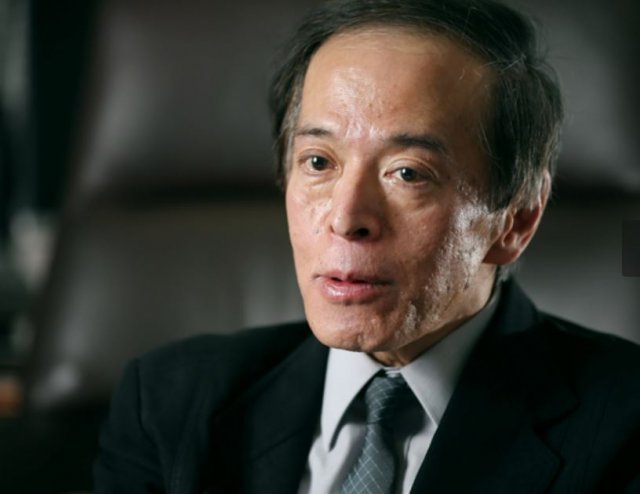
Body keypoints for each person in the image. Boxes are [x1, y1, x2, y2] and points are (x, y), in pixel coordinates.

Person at [94, 0, 640, 492]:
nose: (346, 217)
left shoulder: (625, 425)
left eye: (408, 173)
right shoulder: (169, 403)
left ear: (516, 218)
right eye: (318, 162)